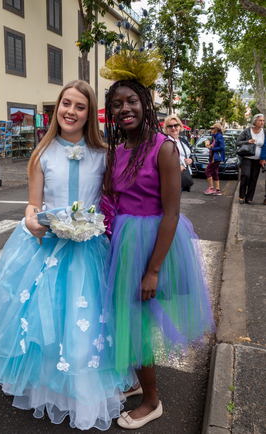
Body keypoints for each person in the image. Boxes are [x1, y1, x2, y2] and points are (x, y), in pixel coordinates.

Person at [0, 80, 131, 431]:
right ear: (56, 108)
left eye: (80, 106)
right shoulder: (42, 153)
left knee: (86, 320)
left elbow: (113, 200)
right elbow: (33, 203)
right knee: (47, 320)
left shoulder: (104, 154)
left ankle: (83, 389)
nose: (70, 111)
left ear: (89, 114)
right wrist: (30, 218)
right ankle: (49, 388)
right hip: (46, 246)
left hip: (89, 249)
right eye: (65, 104)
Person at [98, 79, 215, 430]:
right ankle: (136, 384)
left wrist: (153, 270)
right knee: (128, 318)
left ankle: (152, 401)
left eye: (131, 101)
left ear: (146, 103)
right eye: (116, 104)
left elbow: (172, 213)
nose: (124, 109)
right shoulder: (117, 150)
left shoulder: (164, 148)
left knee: (136, 322)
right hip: (125, 241)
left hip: (154, 245)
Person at [237, 114, 265, 204]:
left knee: (254, 178)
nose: (262, 122)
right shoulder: (247, 131)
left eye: (263, 120)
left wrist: (263, 158)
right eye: (260, 120)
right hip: (246, 158)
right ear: (255, 121)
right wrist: (248, 141)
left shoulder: (264, 132)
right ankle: (241, 196)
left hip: (258, 160)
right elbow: (238, 142)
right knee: (245, 175)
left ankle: (249, 198)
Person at [164, 114, 193, 192]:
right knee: (172, 202)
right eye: (170, 126)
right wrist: (176, 167)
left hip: (184, 176)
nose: (173, 128)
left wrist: (190, 160)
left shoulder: (183, 141)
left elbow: (189, 155)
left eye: (176, 125)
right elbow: (163, 160)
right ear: (166, 129)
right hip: (172, 177)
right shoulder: (165, 142)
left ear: (180, 126)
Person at [203, 123, 225, 196]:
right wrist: (210, 145)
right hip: (214, 156)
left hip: (216, 157)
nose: (211, 129)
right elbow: (215, 145)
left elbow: (222, 147)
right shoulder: (214, 136)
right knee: (215, 172)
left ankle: (211, 188)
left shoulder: (219, 136)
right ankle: (218, 190)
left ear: (216, 129)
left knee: (207, 171)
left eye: (212, 128)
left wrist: (212, 148)